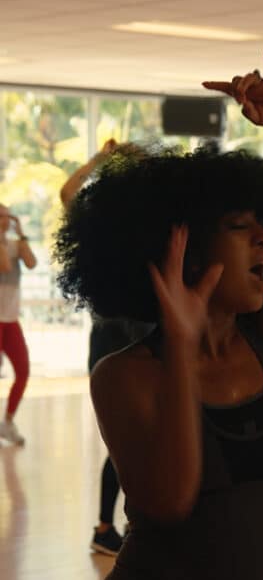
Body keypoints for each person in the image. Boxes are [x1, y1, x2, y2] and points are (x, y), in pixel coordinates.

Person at [54, 49, 263, 579]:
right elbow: (169, 504)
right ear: (182, 247)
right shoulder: (125, 375)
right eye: (240, 226)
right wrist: (183, 348)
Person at [60, 139, 155, 556]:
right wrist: (100, 159)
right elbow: (67, 194)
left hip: (145, 331)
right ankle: (107, 526)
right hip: (116, 336)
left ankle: (129, 521)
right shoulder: (102, 221)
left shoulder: (151, 223)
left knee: (144, 435)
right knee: (127, 438)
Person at [0, 204, 37, 446]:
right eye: (2, 216)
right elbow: (5, 265)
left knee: (23, 371)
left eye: (7, 215)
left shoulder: (14, 243)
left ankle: (8, 422)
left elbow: (32, 262)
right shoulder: (5, 247)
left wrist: (21, 233)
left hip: (10, 320)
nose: (6, 219)